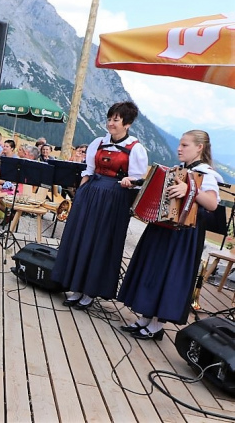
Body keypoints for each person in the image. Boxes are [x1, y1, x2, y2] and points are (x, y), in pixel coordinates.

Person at [117, 130, 221, 340]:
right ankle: (145, 318)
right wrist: (135, 182)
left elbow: (212, 204)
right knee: (153, 270)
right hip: (163, 228)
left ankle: (157, 326)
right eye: (180, 144)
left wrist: (190, 189)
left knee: (169, 275)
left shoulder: (206, 174)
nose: (179, 149)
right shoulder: (179, 170)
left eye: (185, 145)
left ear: (199, 147)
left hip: (184, 234)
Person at [51, 101, 148, 311]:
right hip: (90, 194)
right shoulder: (98, 142)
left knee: (100, 243)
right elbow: (89, 171)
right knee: (80, 238)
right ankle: (75, 287)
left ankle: (89, 292)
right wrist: (79, 196)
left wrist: (130, 181)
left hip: (114, 199)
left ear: (127, 124)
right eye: (109, 119)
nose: (111, 123)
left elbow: (138, 181)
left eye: (116, 120)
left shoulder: (136, 149)